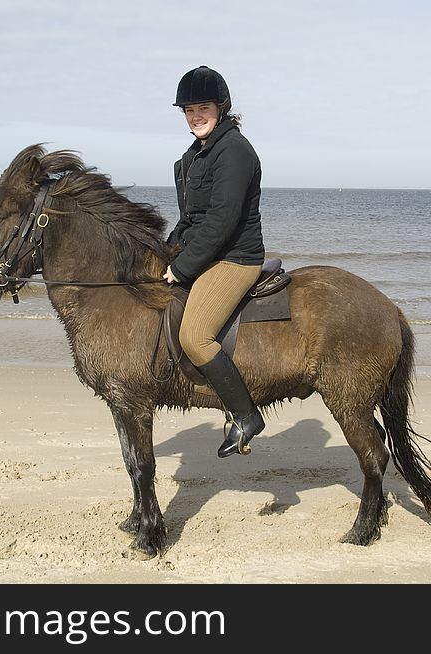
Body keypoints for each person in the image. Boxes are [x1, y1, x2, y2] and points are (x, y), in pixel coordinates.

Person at [163, 65, 266, 458]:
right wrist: (167, 251)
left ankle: (245, 417)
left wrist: (182, 267)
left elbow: (222, 222)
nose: (195, 116)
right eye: (188, 110)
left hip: (235, 258)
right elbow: (190, 219)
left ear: (221, 107)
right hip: (207, 251)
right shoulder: (195, 156)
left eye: (202, 107)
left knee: (195, 336)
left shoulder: (235, 151)